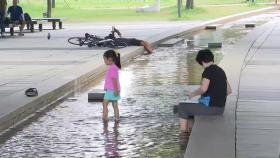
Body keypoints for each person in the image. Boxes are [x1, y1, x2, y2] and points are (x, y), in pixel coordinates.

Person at [178, 49, 232, 141]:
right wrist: (217, 97)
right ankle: (190, 131)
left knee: (182, 107)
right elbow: (229, 91)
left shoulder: (207, 71)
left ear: (201, 62)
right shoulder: (221, 70)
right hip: (220, 108)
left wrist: (192, 94)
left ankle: (184, 136)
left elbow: (203, 89)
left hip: (211, 109)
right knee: (190, 109)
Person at [103, 50, 121, 122]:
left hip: (112, 90)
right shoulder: (114, 67)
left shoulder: (112, 68)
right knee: (115, 105)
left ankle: (105, 119)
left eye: (104, 59)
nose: (104, 61)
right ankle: (117, 118)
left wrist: (115, 90)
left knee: (104, 104)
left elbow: (114, 80)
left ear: (109, 59)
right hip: (113, 90)